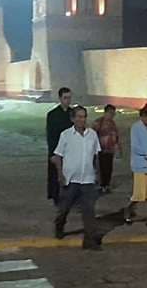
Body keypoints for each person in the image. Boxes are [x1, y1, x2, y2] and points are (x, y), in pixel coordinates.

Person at [51, 106, 102, 250]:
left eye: (84, 116)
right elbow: (58, 156)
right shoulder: (66, 135)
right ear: (73, 119)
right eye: (78, 117)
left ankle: (89, 240)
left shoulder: (92, 134)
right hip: (70, 179)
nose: (81, 119)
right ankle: (59, 225)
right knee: (65, 208)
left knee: (89, 210)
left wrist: (98, 174)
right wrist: (60, 174)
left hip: (87, 179)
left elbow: (96, 156)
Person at [46, 87, 74, 205]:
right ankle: (56, 197)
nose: (68, 100)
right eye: (65, 98)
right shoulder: (52, 115)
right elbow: (50, 135)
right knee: (55, 174)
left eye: (69, 98)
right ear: (60, 98)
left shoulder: (73, 114)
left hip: (70, 149)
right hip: (57, 148)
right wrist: (53, 153)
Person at [94, 104, 121, 193]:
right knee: (101, 168)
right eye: (111, 113)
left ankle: (107, 184)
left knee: (109, 168)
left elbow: (116, 137)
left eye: (113, 114)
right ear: (106, 112)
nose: (112, 115)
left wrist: (117, 147)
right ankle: (102, 185)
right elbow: (92, 136)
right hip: (100, 150)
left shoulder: (113, 123)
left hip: (110, 150)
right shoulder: (98, 122)